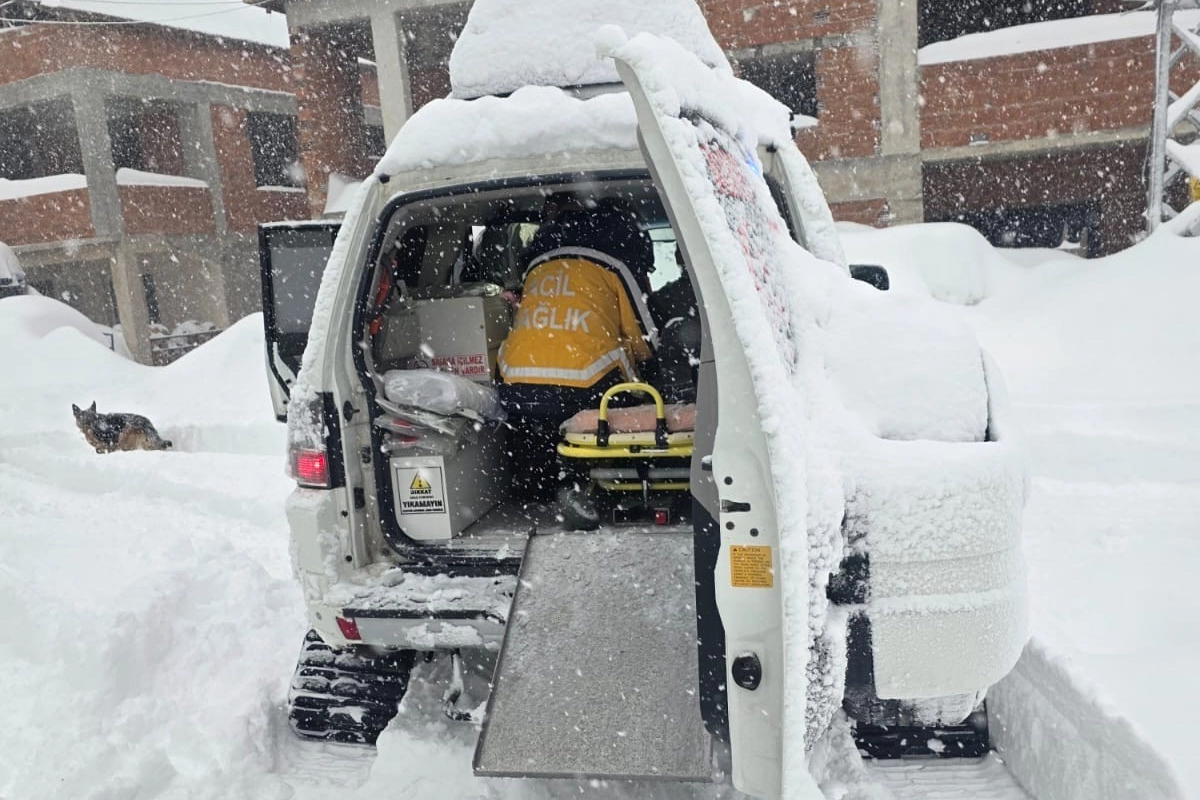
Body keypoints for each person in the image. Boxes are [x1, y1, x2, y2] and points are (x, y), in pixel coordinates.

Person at [498, 206, 658, 507]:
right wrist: (649, 373)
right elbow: (645, 337)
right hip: (587, 387)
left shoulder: (536, 265)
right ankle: (595, 486)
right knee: (618, 399)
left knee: (537, 445)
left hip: (517, 385)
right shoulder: (615, 266)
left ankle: (537, 494)